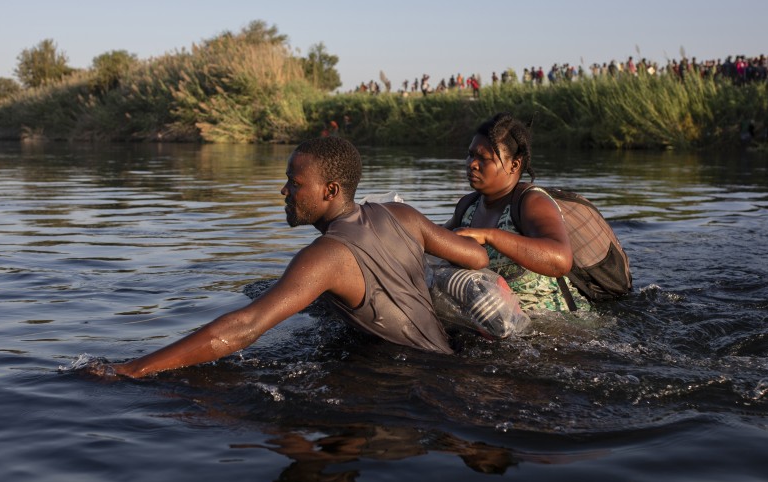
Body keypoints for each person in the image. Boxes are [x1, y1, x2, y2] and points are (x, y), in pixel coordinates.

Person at [89, 137, 489, 379]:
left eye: (294, 183)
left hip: (406, 378)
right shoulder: (400, 215)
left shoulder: (325, 257)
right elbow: (476, 258)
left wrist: (132, 369)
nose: (284, 191)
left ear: (331, 190)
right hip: (446, 358)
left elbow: (245, 327)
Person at [444, 113, 590, 313]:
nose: (471, 164)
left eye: (483, 158)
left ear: (514, 164)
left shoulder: (531, 202)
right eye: (470, 154)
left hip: (556, 326)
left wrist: (489, 235)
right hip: (497, 322)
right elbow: (440, 240)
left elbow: (561, 260)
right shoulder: (468, 206)